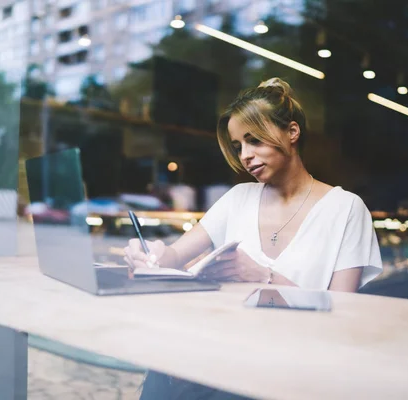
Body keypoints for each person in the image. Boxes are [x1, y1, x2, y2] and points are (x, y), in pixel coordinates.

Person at [124, 78, 383, 399]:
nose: (245, 156)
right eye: (238, 146)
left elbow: (343, 316)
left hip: (289, 368)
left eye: (254, 141)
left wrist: (264, 276)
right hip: (221, 350)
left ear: (292, 132)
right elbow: (175, 258)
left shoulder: (345, 209)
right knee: (165, 367)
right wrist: (151, 256)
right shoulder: (238, 198)